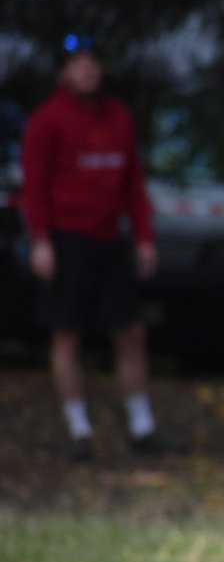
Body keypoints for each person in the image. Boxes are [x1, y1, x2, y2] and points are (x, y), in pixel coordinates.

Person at [20, 35, 170, 459]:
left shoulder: (118, 117)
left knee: (131, 332)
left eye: (92, 63)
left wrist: (143, 237)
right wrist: (41, 240)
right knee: (67, 336)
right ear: (63, 73)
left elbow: (133, 185)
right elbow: (35, 187)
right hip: (68, 240)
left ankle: (141, 426)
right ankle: (79, 429)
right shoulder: (48, 121)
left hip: (110, 240)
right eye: (78, 64)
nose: (87, 71)